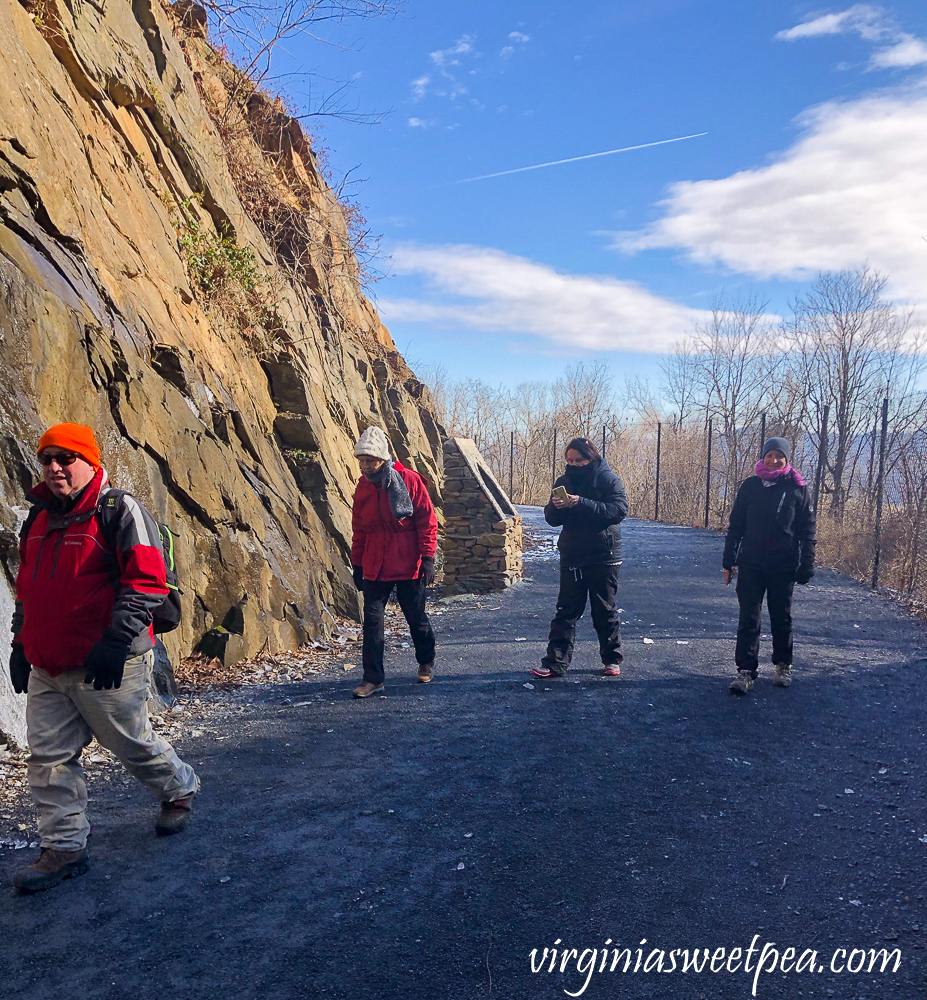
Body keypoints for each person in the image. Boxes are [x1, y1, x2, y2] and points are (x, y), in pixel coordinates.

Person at [8, 424, 199, 893]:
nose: (55, 467)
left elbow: (148, 581)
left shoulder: (118, 509)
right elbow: (27, 592)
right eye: (47, 459)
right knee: (48, 758)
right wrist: (19, 644)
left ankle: (178, 789)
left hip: (108, 657)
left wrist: (116, 641)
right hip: (49, 665)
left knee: (130, 743)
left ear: (90, 462)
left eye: (66, 458)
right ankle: (64, 848)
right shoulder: (36, 521)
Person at [722, 437, 816, 694]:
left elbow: (807, 530)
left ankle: (783, 664)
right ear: (762, 458)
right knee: (748, 619)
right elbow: (736, 526)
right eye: (770, 456)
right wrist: (728, 561)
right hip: (751, 564)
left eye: (779, 456)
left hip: (783, 566)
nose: (774, 461)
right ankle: (745, 671)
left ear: (787, 459)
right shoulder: (750, 487)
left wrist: (807, 562)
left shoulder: (798, 489)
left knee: (781, 617)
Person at [350, 425, 438, 698]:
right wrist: (358, 564)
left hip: (408, 561)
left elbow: (427, 521)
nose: (366, 466)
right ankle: (373, 678)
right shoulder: (363, 487)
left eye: (371, 460)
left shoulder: (409, 480)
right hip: (375, 563)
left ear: (383, 459)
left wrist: (427, 557)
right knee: (372, 622)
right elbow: (360, 529)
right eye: (362, 460)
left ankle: (426, 660)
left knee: (416, 618)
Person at [533, 437, 629, 678]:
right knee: (566, 611)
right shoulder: (563, 482)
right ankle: (554, 663)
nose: (574, 464)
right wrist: (556, 506)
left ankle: (612, 660)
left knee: (604, 610)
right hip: (573, 555)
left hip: (603, 556)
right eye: (569, 460)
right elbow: (551, 519)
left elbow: (618, 510)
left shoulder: (608, 480)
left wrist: (581, 503)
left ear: (591, 457)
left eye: (579, 460)